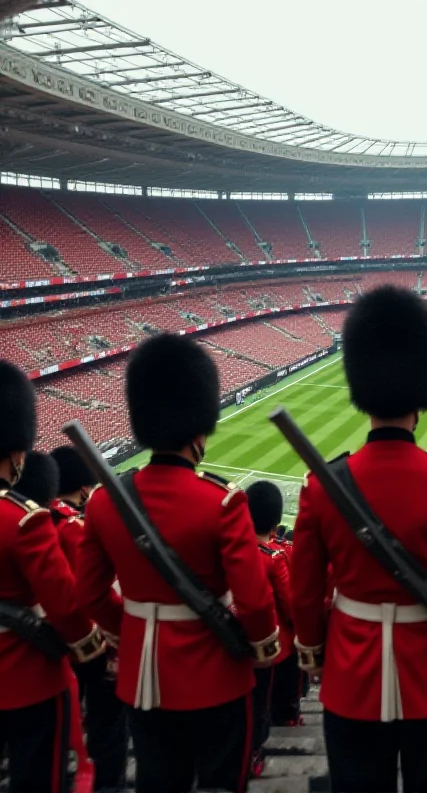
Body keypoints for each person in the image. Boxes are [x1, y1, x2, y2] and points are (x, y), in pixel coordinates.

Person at [290, 285, 427, 793]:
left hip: (350, 679)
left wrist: (316, 653)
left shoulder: (323, 486)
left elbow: (303, 592)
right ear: (422, 395)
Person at [76, 334, 280, 793]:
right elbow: (254, 602)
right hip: (217, 676)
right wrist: (261, 647)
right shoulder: (222, 503)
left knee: (157, 780)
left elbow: (89, 593)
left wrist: (135, 633)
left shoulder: (106, 504)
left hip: (143, 675)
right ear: (199, 428)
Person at [0, 360, 105, 793]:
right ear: (17, 450)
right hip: (27, 679)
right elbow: (65, 604)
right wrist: (92, 646)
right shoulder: (22, 520)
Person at [49, 444, 130, 792]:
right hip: (85, 642)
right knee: (107, 722)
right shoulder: (73, 527)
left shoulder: (37, 517)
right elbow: (94, 590)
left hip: (47, 640)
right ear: (84, 487)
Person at [246, 480, 299, 774]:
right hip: (274, 646)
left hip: (235, 643)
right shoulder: (273, 559)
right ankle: (255, 752)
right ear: (275, 522)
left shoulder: (233, 552)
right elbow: (291, 606)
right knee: (263, 703)